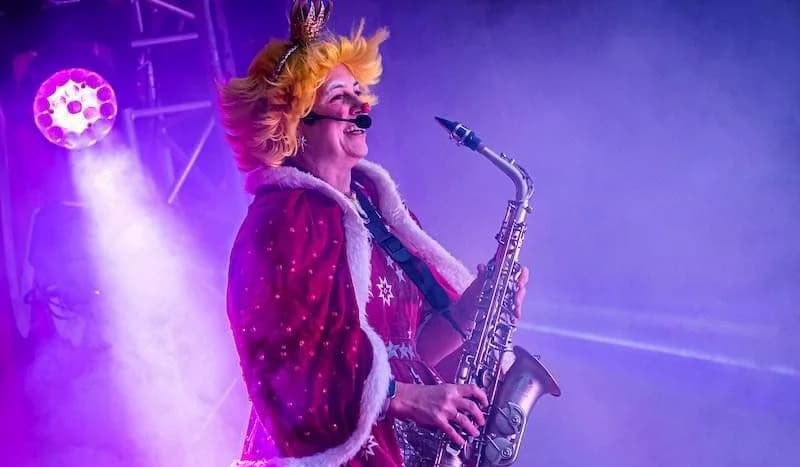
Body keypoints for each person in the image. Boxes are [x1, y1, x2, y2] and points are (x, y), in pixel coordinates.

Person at [220, 1, 528, 465]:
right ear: (294, 126)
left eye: (360, 93)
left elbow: (411, 347)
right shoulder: (284, 221)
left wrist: (473, 309)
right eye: (340, 97)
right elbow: (286, 363)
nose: (360, 104)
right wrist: (400, 396)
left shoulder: (378, 210)